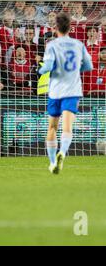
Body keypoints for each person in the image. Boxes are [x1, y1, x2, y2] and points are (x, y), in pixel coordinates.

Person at [38, 12, 93, 174]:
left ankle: (53, 162)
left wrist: (39, 70)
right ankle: (63, 151)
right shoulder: (78, 44)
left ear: (56, 28)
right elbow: (89, 66)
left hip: (55, 91)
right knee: (67, 127)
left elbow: (47, 67)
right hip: (73, 90)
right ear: (70, 27)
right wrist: (76, 70)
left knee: (52, 128)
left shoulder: (52, 45)